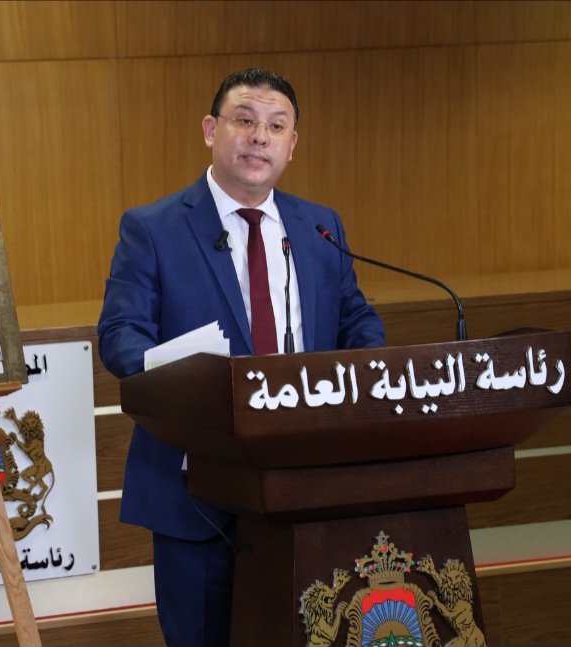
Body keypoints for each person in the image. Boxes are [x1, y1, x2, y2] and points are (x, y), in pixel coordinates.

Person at [97, 68, 385, 646]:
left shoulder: (319, 227)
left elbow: (356, 320)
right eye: (245, 120)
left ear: (292, 144)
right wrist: (188, 384)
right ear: (211, 130)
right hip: (198, 487)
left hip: (305, 488)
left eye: (276, 126)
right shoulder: (153, 228)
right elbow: (121, 335)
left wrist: (370, 375)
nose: (260, 137)